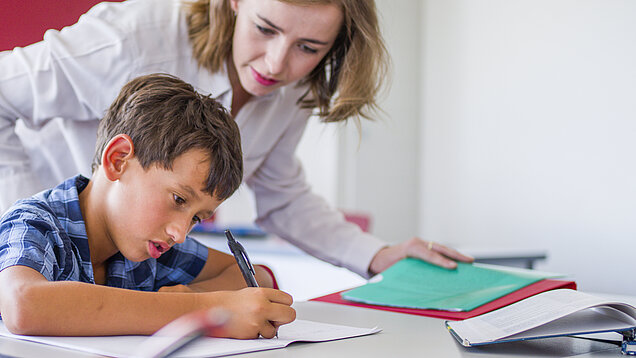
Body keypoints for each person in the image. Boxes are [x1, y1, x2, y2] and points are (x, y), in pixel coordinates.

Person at [0, 0, 472, 279]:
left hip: (124, 262)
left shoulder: (291, 88)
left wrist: (378, 255)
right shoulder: (132, 39)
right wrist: (31, 222)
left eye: (309, 48)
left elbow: (284, 197)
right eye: (265, 29)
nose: (274, 64)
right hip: (36, 246)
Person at [0, 73, 296, 338]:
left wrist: (193, 293)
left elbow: (255, 274)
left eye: (197, 218)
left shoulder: (151, 251)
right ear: (118, 160)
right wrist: (199, 309)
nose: (180, 233)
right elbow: (23, 305)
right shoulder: (33, 223)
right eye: (179, 199)